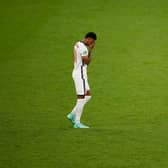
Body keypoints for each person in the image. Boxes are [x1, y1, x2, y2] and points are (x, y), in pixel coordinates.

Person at [67, 32, 97, 128]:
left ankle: (72, 114)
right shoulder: (84, 48)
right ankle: (77, 122)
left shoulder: (77, 43)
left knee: (88, 96)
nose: (91, 43)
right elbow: (87, 62)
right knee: (81, 98)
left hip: (78, 73)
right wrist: (91, 50)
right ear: (88, 39)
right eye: (91, 41)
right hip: (80, 75)